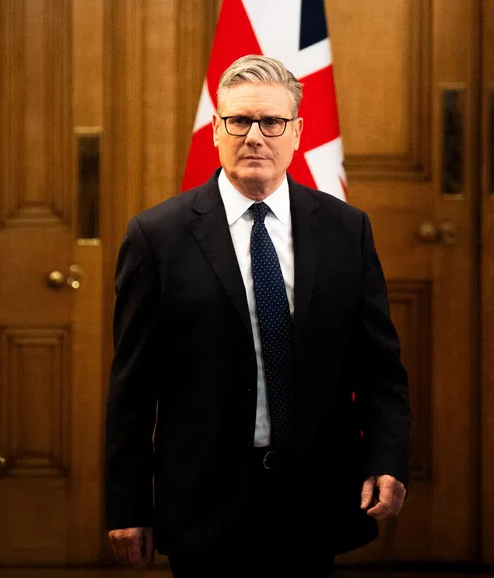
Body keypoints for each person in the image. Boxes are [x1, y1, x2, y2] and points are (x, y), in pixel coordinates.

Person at [104, 54, 410, 576]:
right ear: (217, 131)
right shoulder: (157, 238)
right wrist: (127, 504)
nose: (255, 136)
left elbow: (379, 368)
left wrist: (386, 459)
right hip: (204, 498)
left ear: (297, 133)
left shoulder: (345, 230)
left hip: (314, 494)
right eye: (239, 121)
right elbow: (132, 387)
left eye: (271, 122)